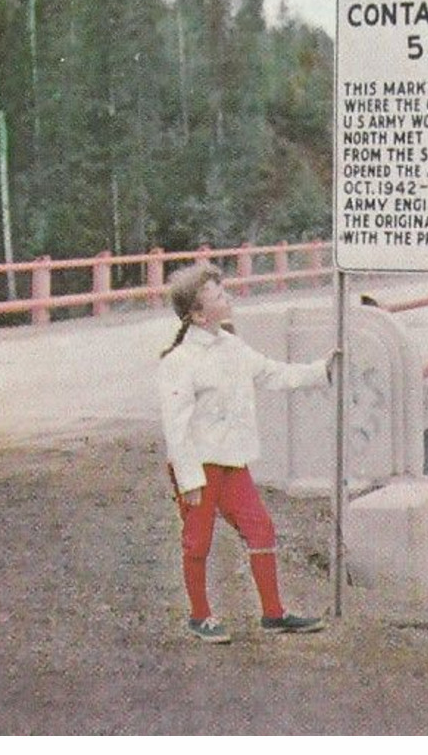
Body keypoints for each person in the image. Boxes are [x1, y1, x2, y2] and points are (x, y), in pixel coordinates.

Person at [156, 264, 335, 643]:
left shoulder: (233, 347)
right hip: (199, 465)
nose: (228, 298)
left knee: (260, 528)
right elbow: (176, 427)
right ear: (198, 314)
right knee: (198, 539)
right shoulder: (178, 362)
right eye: (219, 296)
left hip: (232, 461)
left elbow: (273, 374)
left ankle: (273, 613)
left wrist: (323, 371)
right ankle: (199, 616)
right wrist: (188, 479)